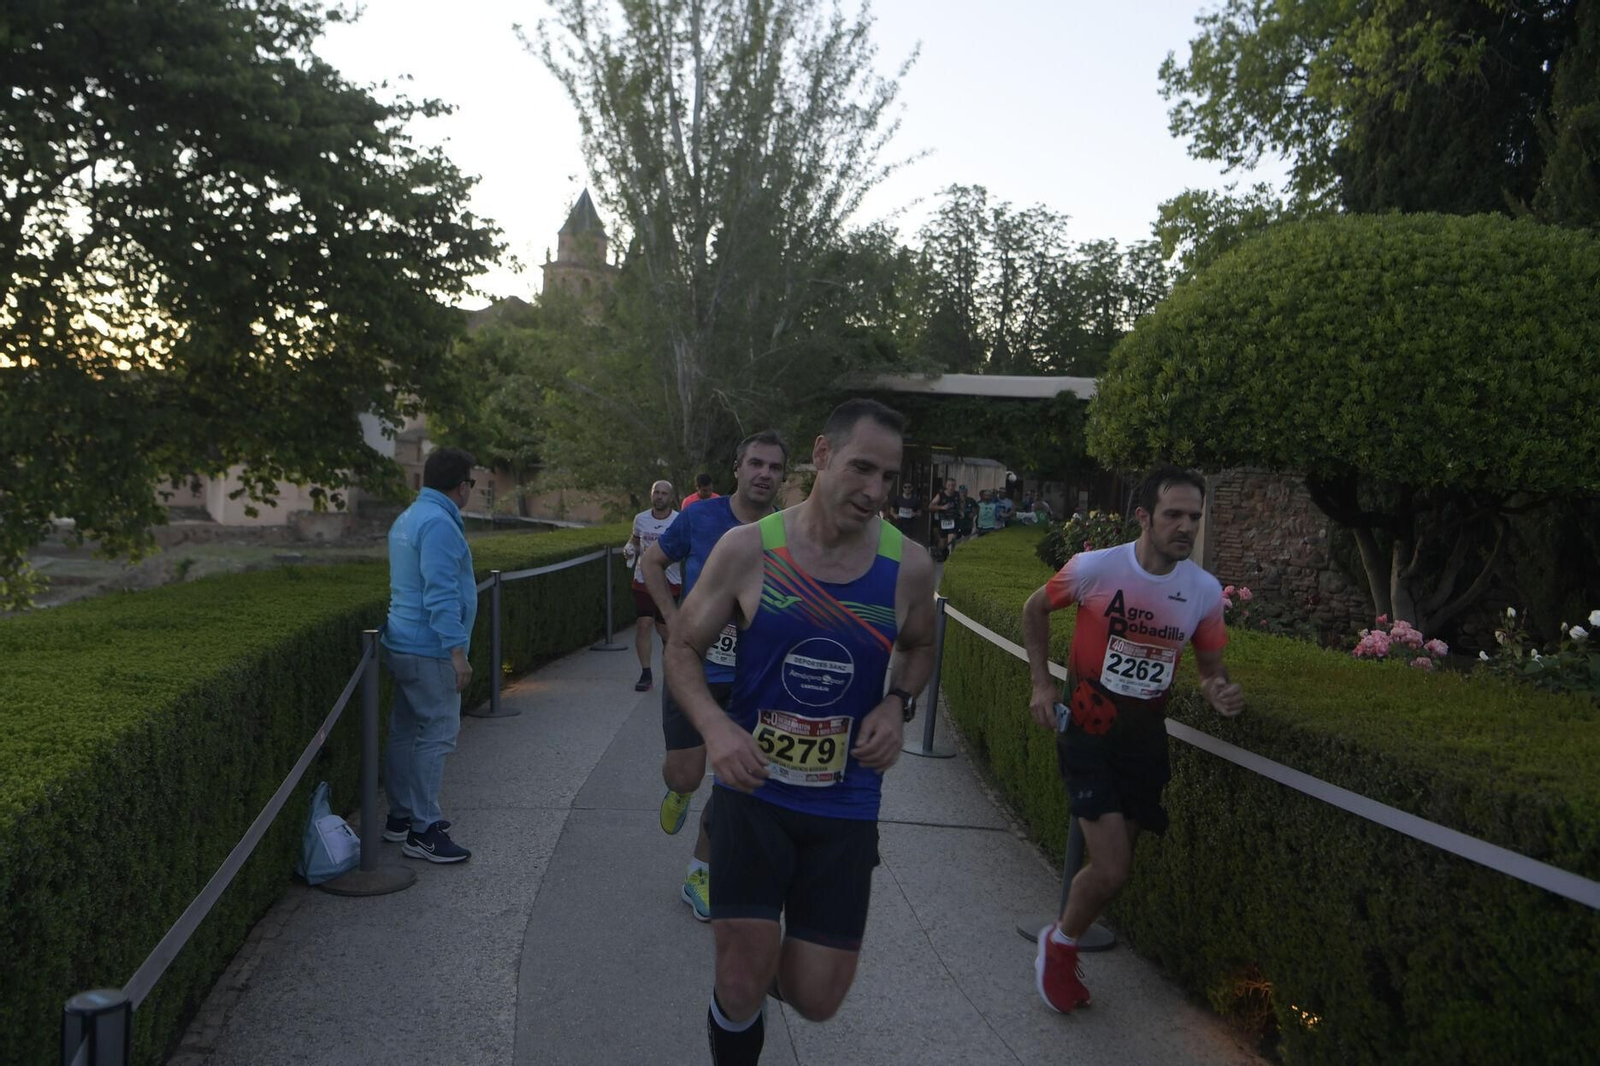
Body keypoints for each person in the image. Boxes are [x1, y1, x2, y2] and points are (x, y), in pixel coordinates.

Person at [666, 398, 937, 1065]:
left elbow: (921, 646)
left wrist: (896, 702)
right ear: (822, 455)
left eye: (888, 477)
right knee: (739, 979)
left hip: (845, 805)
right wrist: (715, 728)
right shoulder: (749, 550)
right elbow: (682, 647)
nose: (875, 491)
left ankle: (755, 977)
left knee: (817, 998)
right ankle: (741, 992)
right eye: (861, 468)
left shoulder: (908, 566)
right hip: (753, 794)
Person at [1019, 464, 1243, 1013]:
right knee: (1113, 868)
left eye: (1194, 516)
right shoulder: (1097, 568)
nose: (1185, 526)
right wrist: (1042, 683)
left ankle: (1064, 939)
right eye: (1173, 515)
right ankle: (1060, 946)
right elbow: (1034, 608)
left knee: (1116, 872)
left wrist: (1216, 690)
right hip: (1088, 731)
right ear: (1144, 516)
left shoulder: (1203, 592)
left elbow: (1209, 668)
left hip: (1144, 740)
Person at [641, 432, 789, 921]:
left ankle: (700, 871)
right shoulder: (700, 517)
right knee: (685, 772)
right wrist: (672, 623)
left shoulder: (785, 533)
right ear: (737, 468)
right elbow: (652, 561)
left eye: (774, 467)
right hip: (695, 669)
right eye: (756, 463)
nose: (765, 473)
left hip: (752, 679)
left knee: (735, 783)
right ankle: (680, 790)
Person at [380, 447, 479, 864]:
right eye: (471, 482)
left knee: (405, 731)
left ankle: (401, 817)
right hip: (430, 649)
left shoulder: (409, 517)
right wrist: (457, 652)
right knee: (437, 733)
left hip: (403, 640)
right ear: (461, 486)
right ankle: (423, 830)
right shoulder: (439, 524)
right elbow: (441, 593)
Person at [625, 480, 680, 692]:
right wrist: (630, 549)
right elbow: (634, 541)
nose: (659, 497)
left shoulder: (678, 520)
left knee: (665, 629)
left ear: (671, 498)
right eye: (656, 492)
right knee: (644, 623)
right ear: (651, 495)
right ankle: (646, 673)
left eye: (664, 493)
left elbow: (685, 548)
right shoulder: (641, 519)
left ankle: (672, 670)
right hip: (643, 579)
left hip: (669, 581)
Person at [930, 477, 960, 559]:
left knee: (952, 538)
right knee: (943, 541)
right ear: (946, 486)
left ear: (955, 486)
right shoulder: (940, 495)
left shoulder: (957, 494)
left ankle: (951, 556)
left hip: (954, 520)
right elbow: (931, 506)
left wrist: (961, 511)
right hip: (943, 520)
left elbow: (961, 504)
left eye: (953, 485)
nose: (951, 487)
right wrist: (942, 507)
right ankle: (942, 554)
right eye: (949, 485)